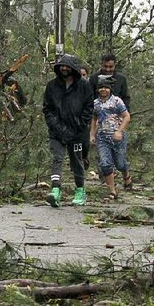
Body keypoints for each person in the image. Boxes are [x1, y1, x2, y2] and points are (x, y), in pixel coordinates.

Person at [42, 54, 94, 207]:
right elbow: (47, 109)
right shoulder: (51, 86)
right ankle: (55, 190)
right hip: (56, 131)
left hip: (77, 132)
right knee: (57, 157)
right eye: (62, 66)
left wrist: (79, 126)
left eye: (67, 66)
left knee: (77, 160)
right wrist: (57, 127)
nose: (64, 69)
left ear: (74, 69)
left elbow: (89, 108)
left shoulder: (84, 86)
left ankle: (80, 190)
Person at [90, 77, 132, 199]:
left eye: (106, 87)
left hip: (117, 137)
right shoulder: (96, 104)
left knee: (120, 164)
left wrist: (120, 131)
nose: (103, 90)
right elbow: (94, 119)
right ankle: (112, 191)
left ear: (110, 89)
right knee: (105, 163)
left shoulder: (117, 101)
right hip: (102, 137)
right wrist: (92, 134)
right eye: (101, 87)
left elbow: (126, 116)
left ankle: (126, 175)